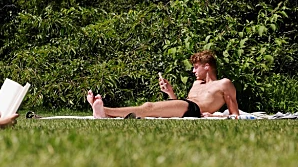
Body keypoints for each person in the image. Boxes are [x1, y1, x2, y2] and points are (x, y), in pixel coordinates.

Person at [87, 50, 240, 119]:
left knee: (148, 107)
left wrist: (214, 116)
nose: (193, 71)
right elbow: (180, 105)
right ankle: (103, 112)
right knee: (148, 109)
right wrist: (170, 92)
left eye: (196, 67)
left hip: (194, 109)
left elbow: (235, 115)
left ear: (207, 66)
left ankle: (104, 109)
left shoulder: (224, 83)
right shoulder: (196, 84)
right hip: (188, 108)